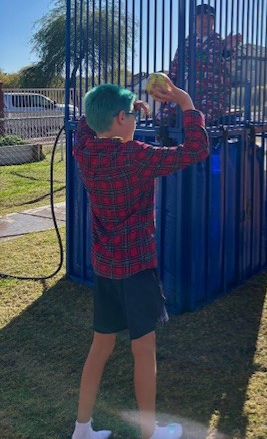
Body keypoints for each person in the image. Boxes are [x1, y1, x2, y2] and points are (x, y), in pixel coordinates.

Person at [70, 77, 209, 439]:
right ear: (119, 118)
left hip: (105, 267)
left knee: (101, 346)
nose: (136, 119)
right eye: (131, 114)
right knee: (143, 350)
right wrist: (186, 101)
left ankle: (81, 430)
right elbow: (194, 151)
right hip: (136, 268)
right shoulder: (135, 155)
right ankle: (149, 433)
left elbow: (86, 125)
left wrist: (122, 109)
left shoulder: (83, 150)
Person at [161, 3, 242, 126]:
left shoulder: (219, 43)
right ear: (195, 20)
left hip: (210, 96)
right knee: (163, 118)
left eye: (209, 18)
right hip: (184, 94)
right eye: (201, 18)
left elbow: (226, 58)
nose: (205, 21)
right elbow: (175, 67)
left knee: (197, 119)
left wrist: (229, 49)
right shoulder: (186, 43)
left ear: (213, 21)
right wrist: (166, 87)